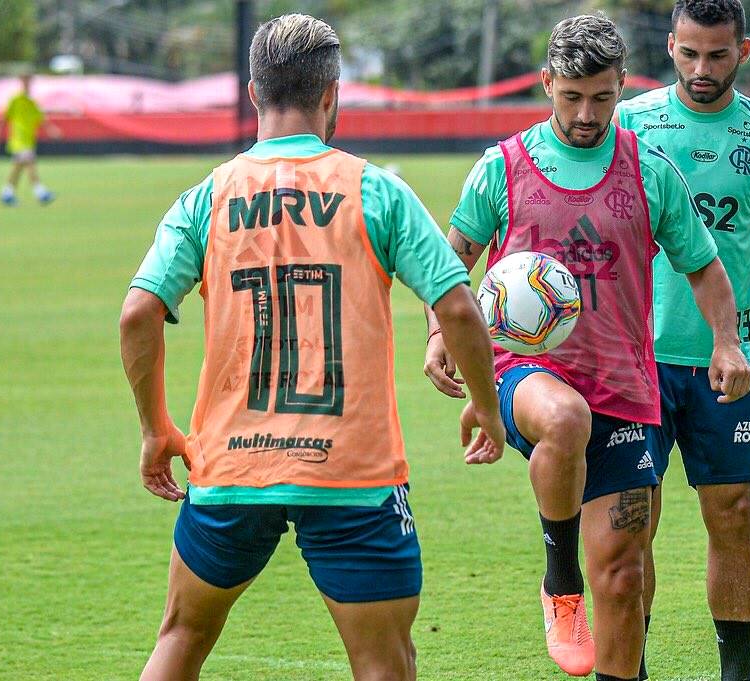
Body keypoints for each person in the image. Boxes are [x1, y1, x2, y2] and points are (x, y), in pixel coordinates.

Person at [119, 13, 504, 681]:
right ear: (332, 95)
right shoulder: (374, 189)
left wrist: (156, 428)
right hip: (350, 473)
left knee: (181, 636)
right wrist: (486, 405)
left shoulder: (207, 198)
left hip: (231, 468)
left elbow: (137, 314)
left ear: (252, 93)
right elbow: (457, 307)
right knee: (385, 662)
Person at [423, 13, 750, 681]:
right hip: (525, 374)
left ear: (622, 87)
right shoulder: (503, 168)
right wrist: (438, 332)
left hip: (626, 388)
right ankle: (558, 577)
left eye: (601, 97)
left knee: (625, 578)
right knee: (565, 418)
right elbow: (450, 257)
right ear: (546, 83)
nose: (584, 113)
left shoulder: (649, 172)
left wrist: (726, 343)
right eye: (570, 96)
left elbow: (703, 266)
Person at [615, 2, 750, 679]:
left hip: (723, 361)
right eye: (687, 54)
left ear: (744, 49)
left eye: (715, 55)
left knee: (732, 515)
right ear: (670, 46)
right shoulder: (628, 124)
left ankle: (736, 674)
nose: (699, 70)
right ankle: (631, 666)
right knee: (630, 526)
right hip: (634, 363)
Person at [0, 74, 61, 206]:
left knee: (18, 167)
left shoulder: (32, 102)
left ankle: (6, 193)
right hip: (18, 139)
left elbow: (41, 119)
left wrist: (52, 130)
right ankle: (40, 192)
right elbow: (3, 118)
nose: (28, 84)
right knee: (29, 162)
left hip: (29, 139)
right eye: (25, 81)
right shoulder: (15, 99)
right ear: (21, 82)